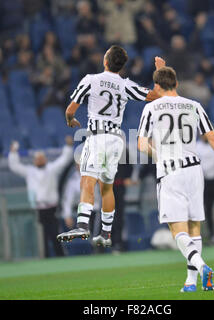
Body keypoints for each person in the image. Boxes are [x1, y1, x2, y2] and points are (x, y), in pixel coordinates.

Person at [137, 67, 214, 292]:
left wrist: (158, 154)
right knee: (195, 227)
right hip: (194, 171)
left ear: (157, 86)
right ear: (176, 84)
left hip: (171, 171)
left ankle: (202, 268)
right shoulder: (194, 106)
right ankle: (191, 283)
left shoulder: (151, 108)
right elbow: (211, 136)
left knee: (178, 231)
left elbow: (142, 144)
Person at [56, 45, 164, 247]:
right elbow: (155, 95)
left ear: (105, 60)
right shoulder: (125, 85)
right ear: (122, 66)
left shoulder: (91, 80)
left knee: (87, 182)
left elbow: (71, 109)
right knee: (107, 187)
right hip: (116, 140)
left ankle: (82, 226)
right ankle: (106, 233)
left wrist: (70, 120)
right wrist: (158, 71)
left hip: (96, 137)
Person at [8, 136, 74, 258]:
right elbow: (14, 166)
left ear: (45, 159)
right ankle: (44, 257)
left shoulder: (51, 169)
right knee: (41, 238)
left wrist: (68, 147)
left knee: (55, 235)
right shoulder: (30, 171)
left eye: (41, 158)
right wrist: (13, 153)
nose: (39, 160)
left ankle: (60, 257)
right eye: (37, 159)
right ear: (34, 161)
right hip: (38, 209)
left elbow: (64, 160)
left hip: (51, 208)